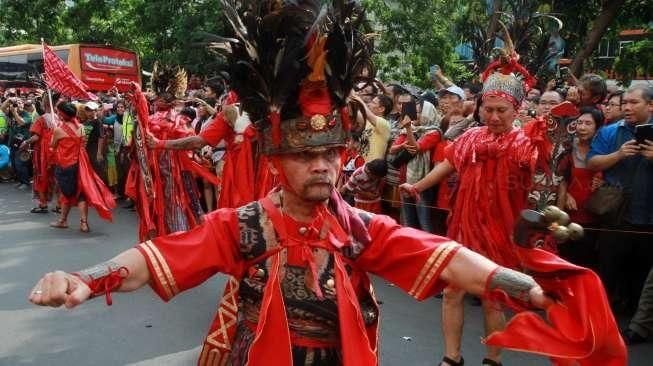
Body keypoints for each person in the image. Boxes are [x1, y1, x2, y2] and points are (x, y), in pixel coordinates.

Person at [399, 38, 549, 365]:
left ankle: (492, 359)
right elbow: (447, 164)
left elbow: (540, 176)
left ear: (516, 110)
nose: (493, 116)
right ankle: (452, 357)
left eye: (501, 110)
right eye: (488, 109)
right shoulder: (471, 136)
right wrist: (416, 187)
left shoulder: (525, 142)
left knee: (494, 297)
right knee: (453, 291)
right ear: (480, 108)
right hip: (464, 226)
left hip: (502, 229)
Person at [126, 64, 215, 241]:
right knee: (176, 211)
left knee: (166, 210)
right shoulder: (176, 121)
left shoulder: (160, 122)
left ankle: (165, 248)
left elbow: (134, 152)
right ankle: (178, 247)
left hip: (169, 178)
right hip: (166, 178)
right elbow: (192, 147)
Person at [587, 85, 653, 313]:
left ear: (650, 105)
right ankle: (601, 320)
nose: (626, 107)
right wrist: (618, 155)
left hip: (648, 219)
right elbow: (591, 163)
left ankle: (637, 323)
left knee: (641, 278)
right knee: (608, 272)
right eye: (624, 102)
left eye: (634, 103)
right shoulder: (610, 132)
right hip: (615, 217)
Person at [49, 102, 115, 232]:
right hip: (80, 164)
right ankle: (83, 223)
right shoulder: (81, 127)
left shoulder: (58, 130)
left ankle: (63, 221)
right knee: (81, 194)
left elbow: (53, 145)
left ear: (62, 114)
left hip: (65, 165)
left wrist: (54, 131)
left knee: (66, 193)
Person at [556, 106, 603, 267]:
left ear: (598, 127)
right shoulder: (566, 148)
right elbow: (557, 178)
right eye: (579, 122)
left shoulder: (603, 149)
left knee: (586, 260)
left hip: (594, 216)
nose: (582, 127)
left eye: (588, 123)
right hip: (567, 215)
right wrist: (566, 195)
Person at [20, 96, 59, 212]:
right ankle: (60, 205)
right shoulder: (58, 119)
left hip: (43, 153)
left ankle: (43, 204)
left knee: (41, 176)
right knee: (56, 178)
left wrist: (26, 142)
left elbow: (36, 137)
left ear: (45, 105)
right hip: (55, 151)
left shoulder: (41, 119)